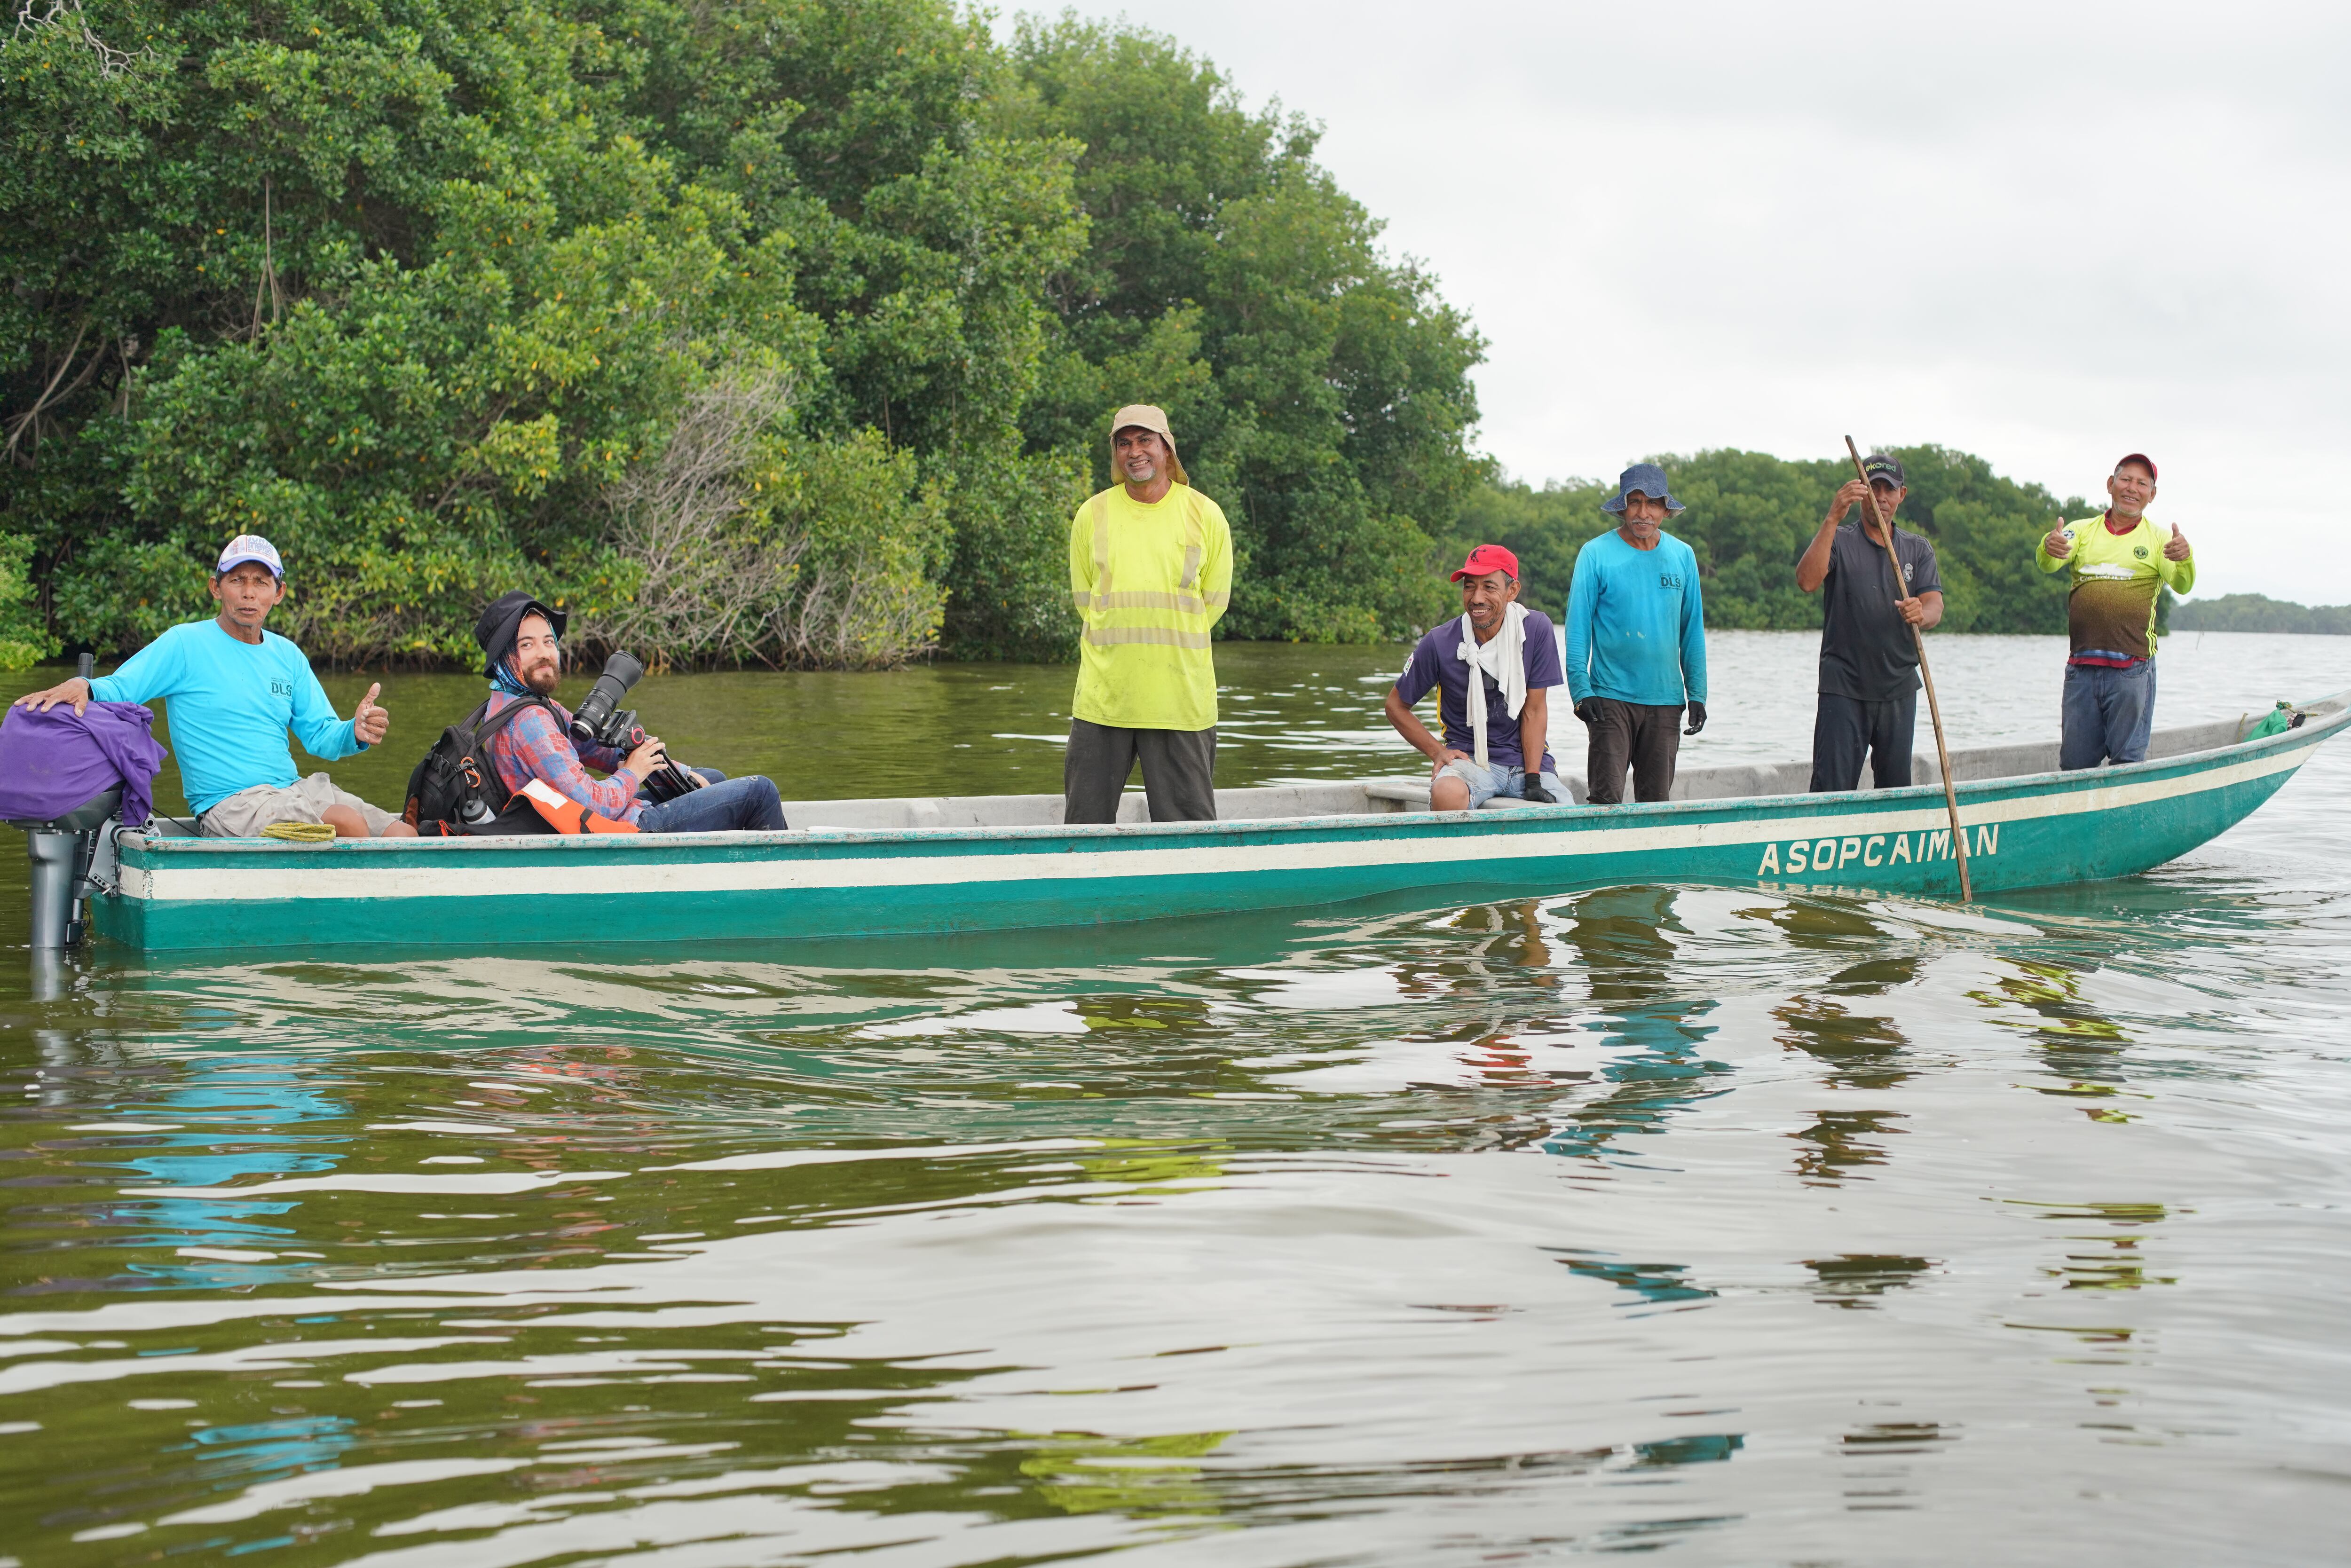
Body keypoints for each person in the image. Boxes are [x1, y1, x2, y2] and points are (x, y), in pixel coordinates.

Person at [11, 536, 415, 838]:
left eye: (261, 581)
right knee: (346, 824)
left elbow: (323, 737)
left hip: (296, 791)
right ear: (215, 587)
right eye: (237, 580)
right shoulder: (185, 643)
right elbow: (122, 686)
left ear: (279, 593)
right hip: (230, 806)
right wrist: (83, 684)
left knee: (404, 835)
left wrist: (355, 731)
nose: (248, 592)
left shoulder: (288, 655)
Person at [473, 591, 787, 832]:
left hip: (579, 822)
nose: (544, 653)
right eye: (527, 645)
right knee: (760, 792)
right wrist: (633, 773)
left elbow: (594, 748)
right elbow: (593, 804)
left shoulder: (516, 702)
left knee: (710, 778)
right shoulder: (531, 721)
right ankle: (781, 882)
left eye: (548, 641)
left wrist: (680, 771)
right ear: (505, 657)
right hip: (612, 831)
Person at [1064, 403, 1234, 824]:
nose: (1135, 452)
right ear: (1116, 455)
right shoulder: (1092, 514)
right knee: (1084, 829)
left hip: (1181, 702)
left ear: (1167, 449)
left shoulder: (1205, 513)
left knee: (1189, 838)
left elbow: (1215, 603)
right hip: (1104, 703)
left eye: (1145, 441)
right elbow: (1085, 601)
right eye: (1124, 443)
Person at [1795, 452, 1945, 791]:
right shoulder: (1841, 540)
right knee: (1832, 789)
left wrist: (1922, 612)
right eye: (1872, 487)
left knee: (1895, 790)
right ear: (1861, 491)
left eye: (1888, 490)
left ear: (1901, 495)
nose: (1880, 497)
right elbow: (1806, 581)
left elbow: (1935, 603)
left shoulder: (1917, 549)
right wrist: (1833, 517)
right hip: (1843, 687)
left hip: (1898, 688)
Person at [2036, 453, 2194, 769]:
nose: (2132, 488)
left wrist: (2185, 558)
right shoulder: (2081, 530)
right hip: (2082, 670)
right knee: (2074, 766)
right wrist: (2048, 544)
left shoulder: (2161, 538)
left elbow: (2183, 584)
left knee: (2127, 764)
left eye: (2142, 483)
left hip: (2132, 671)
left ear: (2152, 494)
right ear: (2111, 484)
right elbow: (2049, 562)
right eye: (2125, 479)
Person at [1564, 463, 1708, 804]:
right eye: (1635, 502)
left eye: (1653, 503)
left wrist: (1698, 694)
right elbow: (1577, 629)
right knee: (1605, 800)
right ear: (1623, 507)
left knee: (1656, 804)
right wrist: (1581, 692)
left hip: (1666, 700)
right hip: (1609, 697)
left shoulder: (1683, 556)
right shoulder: (1595, 554)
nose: (1644, 513)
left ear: (1665, 509)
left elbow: (1692, 631)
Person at [1385, 545, 1570, 810]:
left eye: (1489, 587)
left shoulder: (1536, 629)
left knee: (1567, 811)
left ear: (1512, 591)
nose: (1477, 598)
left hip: (1529, 764)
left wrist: (1533, 780)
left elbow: (1534, 709)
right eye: (1469, 587)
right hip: (1469, 761)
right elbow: (1396, 706)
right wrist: (1438, 753)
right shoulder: (1439, 641)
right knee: (1446, 792)